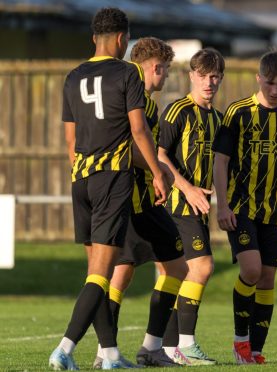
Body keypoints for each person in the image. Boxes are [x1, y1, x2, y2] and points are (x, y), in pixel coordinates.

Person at [49, 7, 168, 370]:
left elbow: (70, 141)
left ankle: (111, 355)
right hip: (111, 179)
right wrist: (157, 172)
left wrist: (85, 170)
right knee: (101, 276)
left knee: (95, 275)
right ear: (121, 39)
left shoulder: (72, 77)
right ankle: (64, 349)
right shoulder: (127, 72)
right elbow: (138, 129)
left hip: (80, 179)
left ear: (93, 39)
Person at [90, 36, 189, 368]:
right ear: (156, 67)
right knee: (121, 272)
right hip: (131, 200)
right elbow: (129, 147)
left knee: (164, 267)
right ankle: (109, 352)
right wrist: (160, 169)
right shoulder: (138, 101)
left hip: (143, 200)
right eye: (166, 71)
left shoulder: (142, 99)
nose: (166, 78)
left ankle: (147, 348)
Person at [212, 50, 277, 365]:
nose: (275, 91)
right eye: (270, 83)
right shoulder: (237, 112)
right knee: (250, 270)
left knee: (267, 280)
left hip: (275, 212)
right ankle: (240, 342)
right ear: (258, 79)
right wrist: (221, 206)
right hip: (241, 209)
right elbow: (220, 162)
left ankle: (257, 351)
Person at [156, 47, 225, 366]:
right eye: (202, 76)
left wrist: (222, 202)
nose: (208, 82)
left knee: (174, 273)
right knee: (202, 266)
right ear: (191, 76)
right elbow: (158, 155)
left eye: (214, 76)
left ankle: (167, 348)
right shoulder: (177, 110)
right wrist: (188, 189)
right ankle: (186, 343)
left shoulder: (217, 118)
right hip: (176, 205)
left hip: (198, 207)